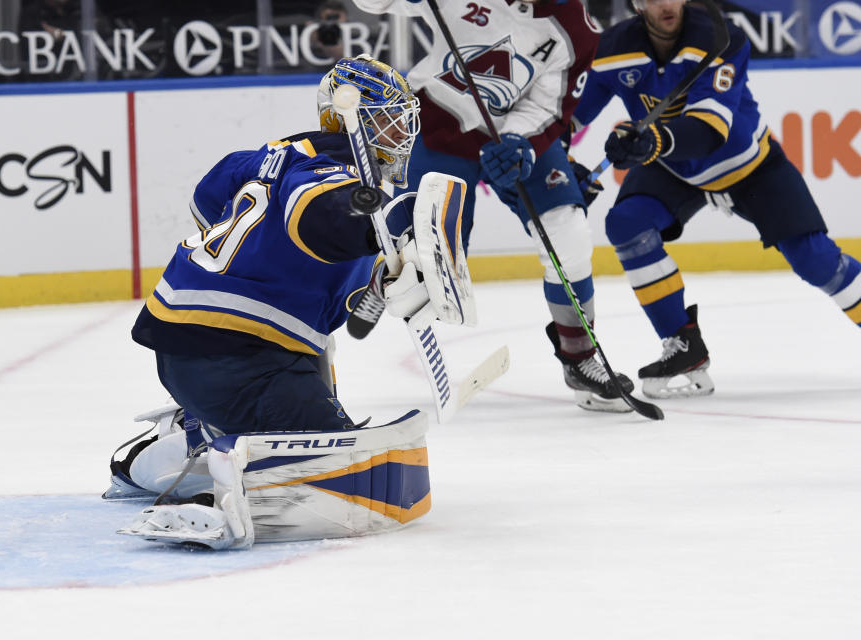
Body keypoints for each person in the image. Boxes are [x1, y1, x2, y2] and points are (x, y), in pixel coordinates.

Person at [108, 55, 437, 550]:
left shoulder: (266, 156)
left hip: (198, 340)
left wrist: (380, 267)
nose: (400, 131)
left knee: (316, 363)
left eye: (401, 117)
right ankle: (217, 458)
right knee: (354, 475)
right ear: (351, 118)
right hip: (240, 357)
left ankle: (178, 442)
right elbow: (323, 214)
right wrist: (370, 223)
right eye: (387, 118)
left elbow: (207, 203)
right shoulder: (337, 174)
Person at [350, 0, 635, 413]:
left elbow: (549, 106)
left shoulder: (580, 31)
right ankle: (384, 279)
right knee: (428, 248)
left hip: (517, 139)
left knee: (568, 235)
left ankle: (580, 357)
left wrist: (522, 140)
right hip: (440, 123)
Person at [570, 0, 861, 398]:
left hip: (748, 167)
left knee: (816, 261)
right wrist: (560, 161)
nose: (664, 4)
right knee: (626, 223)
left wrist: (652, 141)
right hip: (670, 167)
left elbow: (709, 131)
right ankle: (683, 344)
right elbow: (567, 117)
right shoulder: (613, 49)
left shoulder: (719, 37)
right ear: (637, 4)